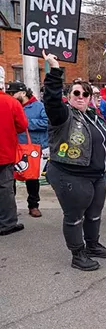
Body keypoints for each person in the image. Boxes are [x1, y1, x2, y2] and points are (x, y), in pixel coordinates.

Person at [43, 52, 106, 271]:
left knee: (94, 214)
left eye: (86, 93)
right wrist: (55, 69)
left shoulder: (94, 115)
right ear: (69, 95)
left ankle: (93, 245)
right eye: (76, 93)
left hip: (96, 175)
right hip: (70, 174)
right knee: (74, 217)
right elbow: (52, 100)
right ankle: (77, 254)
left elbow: (103, 141)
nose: (81, 96)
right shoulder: (63, 115)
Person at [6, 82, 48, 217]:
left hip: (31, 148)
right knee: (9, 179)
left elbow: (47, 122)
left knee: (32, 178)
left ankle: (33, 205)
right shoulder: (11, 105)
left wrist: (25, 123)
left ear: (23, 93)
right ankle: (10, 208)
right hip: (13, 147)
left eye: (13, 93)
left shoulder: (38, 106)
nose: (11, 95)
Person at [0, 80, 27, 236]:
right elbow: (22, 125)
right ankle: (7, 223)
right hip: (4, 151)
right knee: (5, 188)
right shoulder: (11, 102)